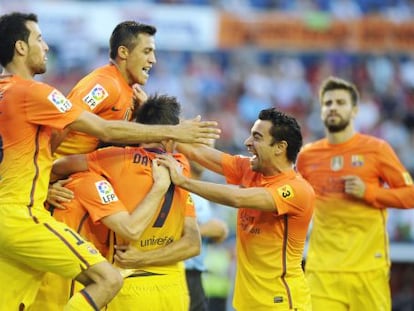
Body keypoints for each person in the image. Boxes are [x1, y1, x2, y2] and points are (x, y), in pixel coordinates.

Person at [0, 12, 218, 310]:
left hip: (70, 198)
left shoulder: (129, 93)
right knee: (78, 288)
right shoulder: (104, 84)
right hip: (68, 198)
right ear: (123, 53)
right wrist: (49, 177)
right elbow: (67, 125)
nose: (153, 59)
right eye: (147, 51)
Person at [51, 94, 201, 311]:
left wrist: (47, 187)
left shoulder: (113, 158)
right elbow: (193, 243)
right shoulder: (180, 166)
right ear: (169, 136)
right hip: (174, 289)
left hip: (130, 283)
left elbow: (58, 165)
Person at [156, 108, 315, 311]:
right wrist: (160, 116)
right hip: (246, 302)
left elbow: (238, 198)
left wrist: (183, 182)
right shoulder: (250, 169)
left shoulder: (297, 189)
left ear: (280, 147)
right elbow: (197, 152)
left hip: (281, 301)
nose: (247, 142)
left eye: (257, 137)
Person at [296, 76, 414, 310]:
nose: (333, 108)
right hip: (323, 270)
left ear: (355, 110)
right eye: (328, 103)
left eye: (340, 102)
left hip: (368, 270)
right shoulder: (307, 156)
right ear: (321, 110)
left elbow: (410, 195)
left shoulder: (376, 149)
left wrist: (369, 192)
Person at [185, 161, 229, 311]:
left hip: (196, 277)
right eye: (199, 144)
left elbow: (220, 232)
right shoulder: (173, 187)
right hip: (176, 272)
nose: (204, 152)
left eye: (210, 146)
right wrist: (204, 229)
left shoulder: (202, 193)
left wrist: (204, 230)